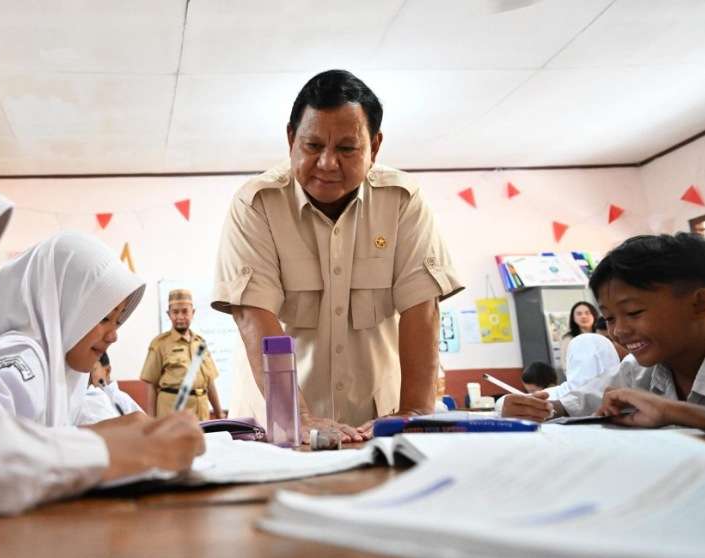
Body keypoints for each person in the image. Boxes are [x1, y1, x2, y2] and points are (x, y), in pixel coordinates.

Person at [0, 132, 204, 521]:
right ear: (66, 307)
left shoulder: (65, 373)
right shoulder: (20, 355)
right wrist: (108, 449)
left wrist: (122, 434)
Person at [212, 69, 463, 441]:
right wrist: (296, 418)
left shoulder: (402, 201)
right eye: (313, 146)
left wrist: (413, 413)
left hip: (378, 428)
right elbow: (253, 315)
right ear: (291, 139)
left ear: (374, 147)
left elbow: (421, 309)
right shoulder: (256, 204)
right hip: (276, 428)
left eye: (347, 149)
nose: (328, 163)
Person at [0, 231, 147, 428]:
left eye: (117, 321)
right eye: (104, 318)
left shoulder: (63, 371)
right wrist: (95, 441)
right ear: (63, 309)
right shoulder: (22, 361)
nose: (113, 336)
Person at [502, 233, 705, 424]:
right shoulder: (640, 369)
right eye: (609, 318)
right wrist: (539, 408)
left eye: (634, 312)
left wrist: (673, 412)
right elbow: (582, 400)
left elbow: (669, 412)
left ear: (699, 304)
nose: (618, 331)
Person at [141, 289, 222, 420]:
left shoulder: (200, 343)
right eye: (175, 312)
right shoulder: (159, 344)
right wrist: (151, 420)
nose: (180, 317)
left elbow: (210, 382)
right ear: (169, 314)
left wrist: (219, 413)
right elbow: (152, 385)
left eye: (185, 311)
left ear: (193, 313)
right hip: (172, 412)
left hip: (201, 412)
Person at [84, 351, 145, 423]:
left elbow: (145, 426)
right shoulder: (80, 400)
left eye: (92, 370)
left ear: (107, 371)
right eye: (82, 373)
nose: (86, 377)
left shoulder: (122, 399)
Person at [559, 301, 599, 371]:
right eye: (579, 314)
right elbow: (565, 365)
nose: (583, 316)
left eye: (587, 313)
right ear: (573, 318)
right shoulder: (568, 339)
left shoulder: (602, 335)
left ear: (594, 315)